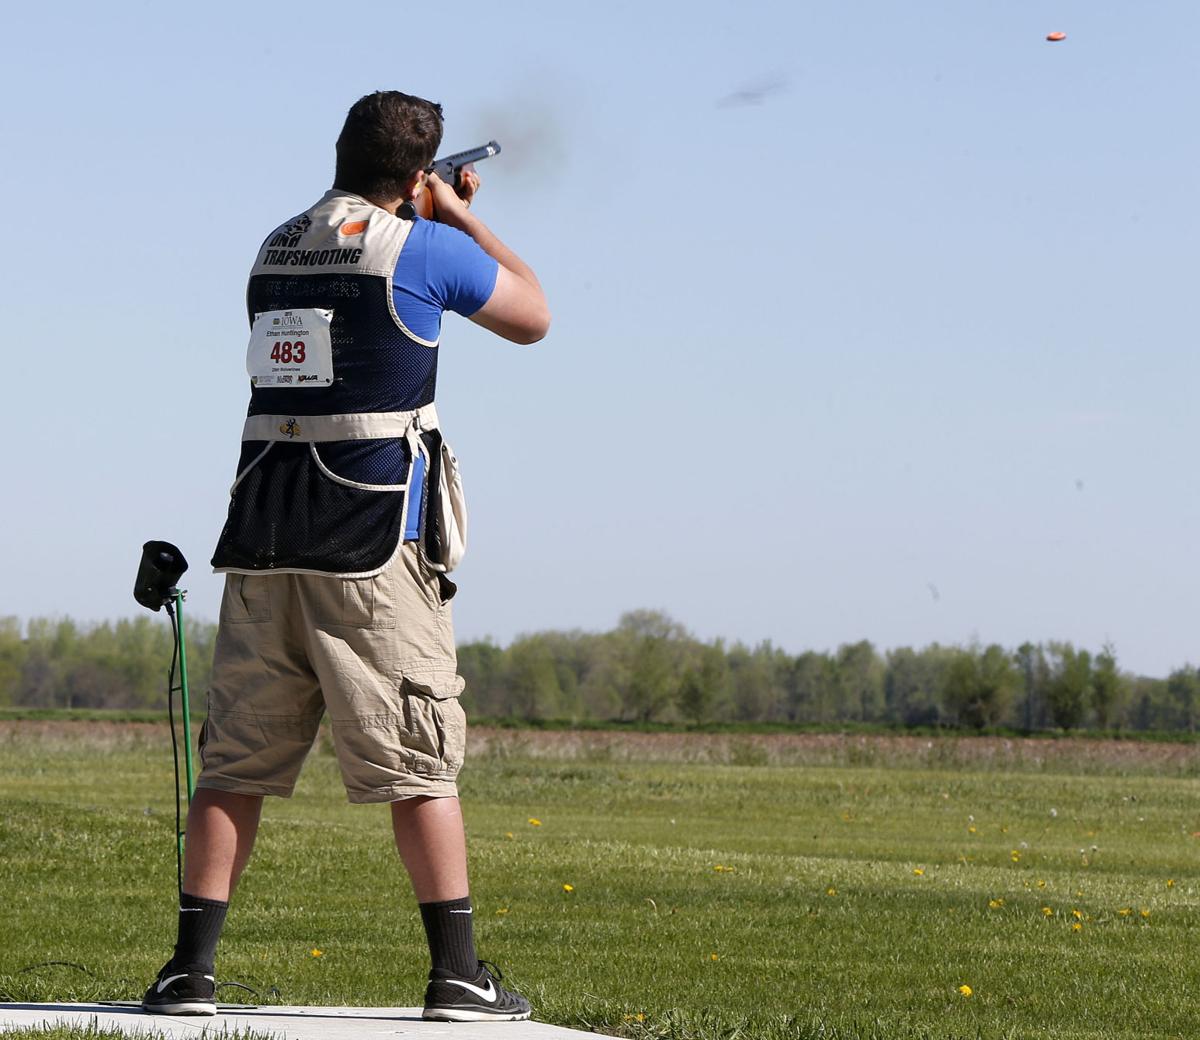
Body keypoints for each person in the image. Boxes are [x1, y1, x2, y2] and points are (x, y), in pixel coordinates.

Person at [141, 91, 550, 1023]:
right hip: (373, 547)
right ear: (416, 174)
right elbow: (533, 314)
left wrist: (414, 199)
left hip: (263, 539)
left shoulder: (273, 248)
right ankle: (458, 975)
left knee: (234, 766)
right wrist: (457, 216)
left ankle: (189, 973)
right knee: (418, 762)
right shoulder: (423, 246)